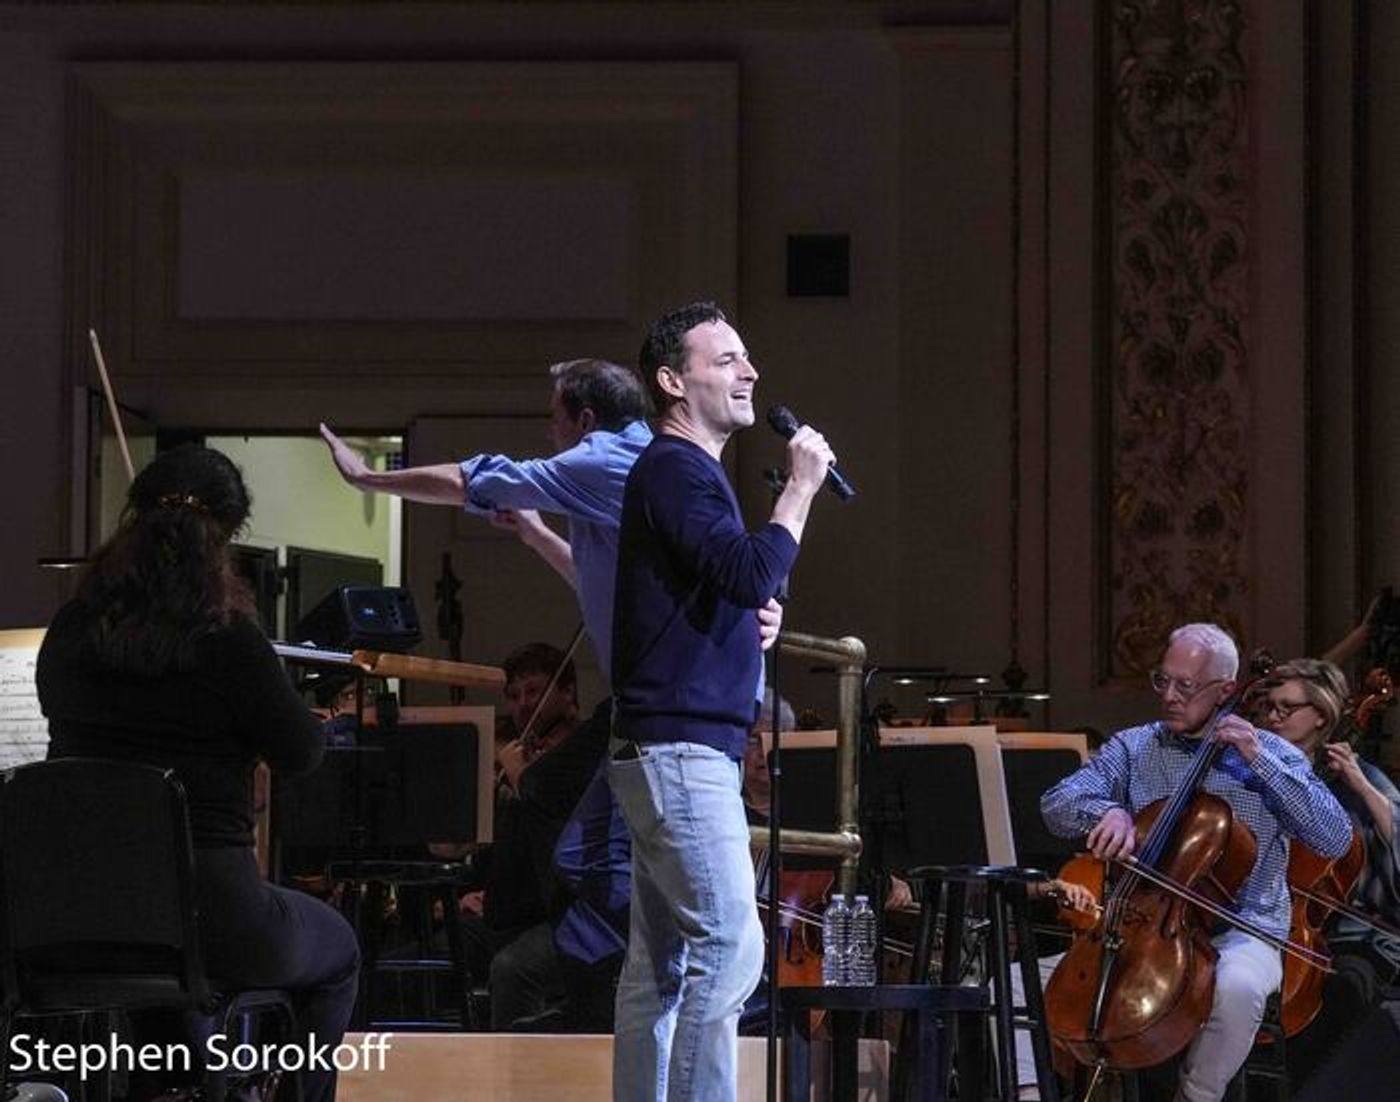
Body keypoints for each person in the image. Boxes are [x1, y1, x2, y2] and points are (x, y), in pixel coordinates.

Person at [35, 445, 359, 1102]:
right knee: (340, 951)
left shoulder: (69, 631)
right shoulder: (229, 636)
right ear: (223, 538)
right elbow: (301, 751)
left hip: (77, 919)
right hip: (213, 914)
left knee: (165, 972)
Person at [609, 301, 836, 1102]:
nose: (750, 372)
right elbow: (743, 569)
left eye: (747, 358)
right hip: (678, 754)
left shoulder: (687, 473)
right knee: (731, 949)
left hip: (669, 748)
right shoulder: (674, 466)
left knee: (661, 964)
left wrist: (749, 621)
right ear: (674, 382)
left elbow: (725, 578)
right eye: (727, 359)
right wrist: (801, 489)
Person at [1040, 623, 1352, 1102]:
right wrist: (1108, 811)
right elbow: (1057, 804)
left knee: (1236, 989)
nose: (1169, 696)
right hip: (1141, 927)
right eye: (1162, 681)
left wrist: (1257, 758)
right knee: (1023, 981)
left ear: (1226, 690)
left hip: (1243, 930)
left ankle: (1196, 1096)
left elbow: (1332, 836)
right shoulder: (1134, 746)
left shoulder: (1271, 753)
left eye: (1185, 686)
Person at [1251, 657, 1400, 1083]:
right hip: (1265, 922)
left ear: (1321, 716)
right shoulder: (1256, 771)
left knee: (1345, 988)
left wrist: (1362, 786)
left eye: (1286, 707)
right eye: (1268, 708)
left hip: (1351, 935)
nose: (1272, 717)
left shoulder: (1356, 779)